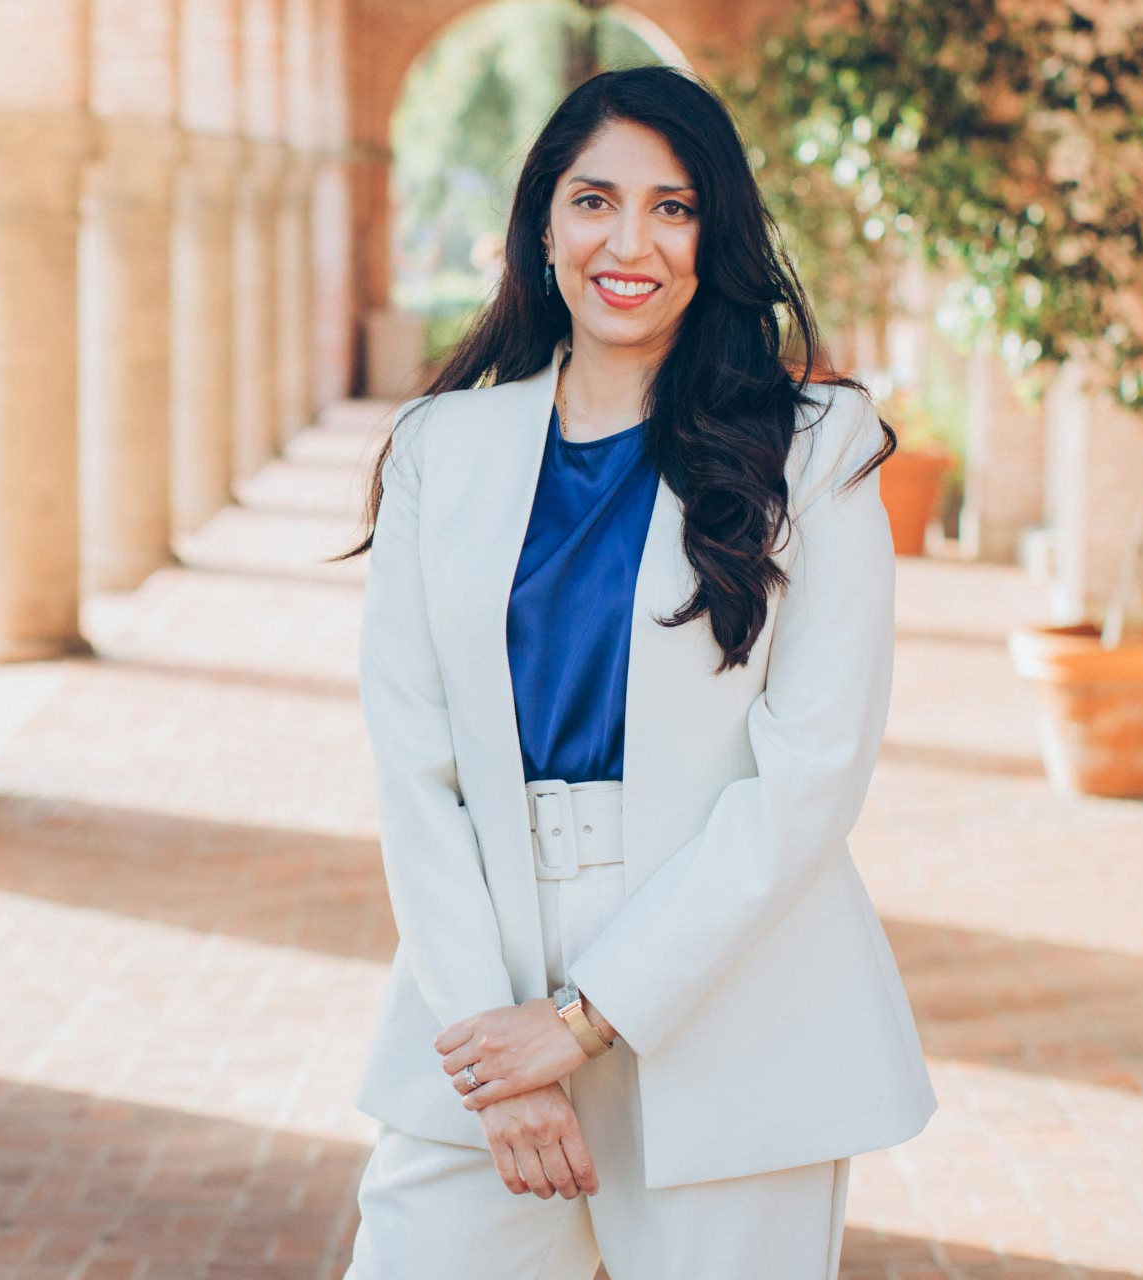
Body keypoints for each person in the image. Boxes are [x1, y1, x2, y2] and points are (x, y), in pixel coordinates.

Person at [335, 65, 937, 1280]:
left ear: (716, 235)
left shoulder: (817, 452)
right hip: (483, 977)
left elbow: (811, 774)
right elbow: (418, 770)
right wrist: (497, 1053)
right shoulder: (437, 448)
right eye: (595, 199)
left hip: (734, 996)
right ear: (543, 223)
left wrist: (582, 1021)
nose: (631, 241)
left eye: (674, 207)